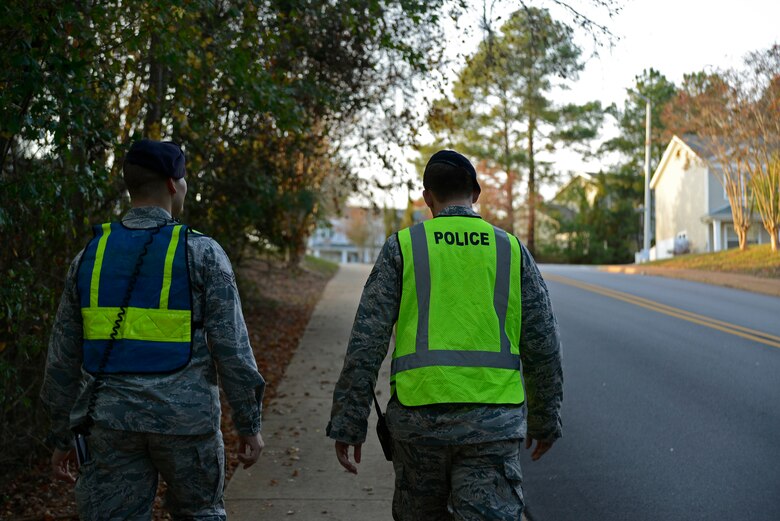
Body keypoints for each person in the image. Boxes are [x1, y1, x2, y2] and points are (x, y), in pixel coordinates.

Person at [327, 150, 563, 520]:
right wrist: (545, 418)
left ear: (427, 198)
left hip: (419, 426)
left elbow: (366, 342)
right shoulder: (510, 250)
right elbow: (543, 344)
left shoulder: (404, 248)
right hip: (492, 427)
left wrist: (349, 421)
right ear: (476, 194)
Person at [41, 139, 266, 520]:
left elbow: (62, 358)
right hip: (186, 424)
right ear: (171, 184)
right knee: (200, 513)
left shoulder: (88, 257)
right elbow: (232, 349)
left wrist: (62, 436)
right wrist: (248, 424)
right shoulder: (203, 253)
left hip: (107, 424)